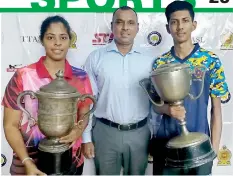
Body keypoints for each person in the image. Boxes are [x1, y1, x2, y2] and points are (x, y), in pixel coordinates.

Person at [2, 15, 93, 175]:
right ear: (42, 40)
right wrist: (27, 162)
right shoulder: (23, 76)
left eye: (63, 37)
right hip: (29, 162)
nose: (57, 43)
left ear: (69, 41)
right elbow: (10, 125)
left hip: (71, 160)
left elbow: (84, 114)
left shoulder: (81, 77)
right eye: (50, 37)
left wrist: (78, 130)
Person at [149, 1, 231, 175]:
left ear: (194, 25)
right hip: (167, 145)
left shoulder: (210, 61)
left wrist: (214, 148)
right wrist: (168, 110)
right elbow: (155, 106)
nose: (180, 26)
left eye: (185, 20)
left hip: (199, 146)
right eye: (174, 22)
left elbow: (216, 109)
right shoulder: (160, 63)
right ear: (167, 27)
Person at [82, 6, 154, 175]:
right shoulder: (96, 58)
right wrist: (86, 138)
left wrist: (154, 136)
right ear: (112, 25)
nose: (125, 28)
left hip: (140, 134)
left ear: (138, 27)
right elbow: (87, 101)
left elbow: (155, 102)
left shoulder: (149, 61)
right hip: (105, 133)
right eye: (119, 22)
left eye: (130, 23)